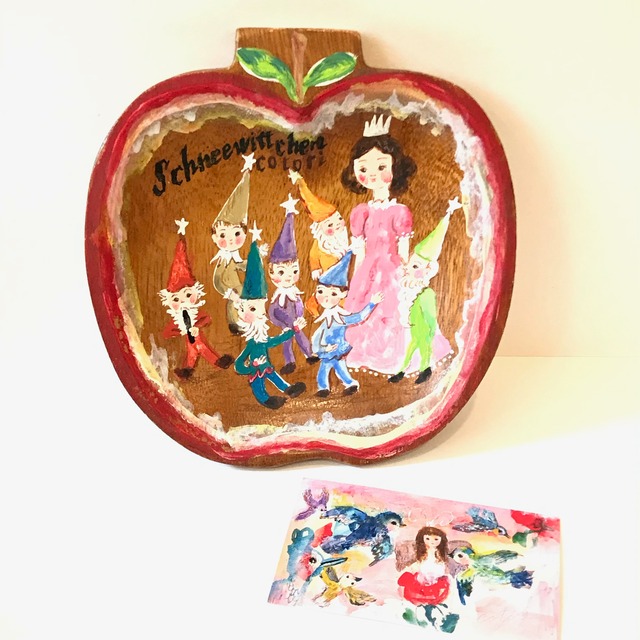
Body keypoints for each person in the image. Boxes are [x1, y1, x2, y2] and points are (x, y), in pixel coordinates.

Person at [340, 114, 417, 374]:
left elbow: (404, 252)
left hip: (392, 271)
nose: (371, 174)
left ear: (396, 168)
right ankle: (362, 353)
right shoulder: (360, 212)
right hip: (367, 271)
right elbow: (359, 252)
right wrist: (355, 281)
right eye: (363, 169)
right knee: (363, 309)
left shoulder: (400, 212)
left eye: (381, 166)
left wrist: (405, 278)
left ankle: (392, 357)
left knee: (390, 311)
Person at [234, 225, 307, 409]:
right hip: (257, 369)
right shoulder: (252, 343)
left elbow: (274, 341)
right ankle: (266, 400)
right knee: (259, 385)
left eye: (257, 308)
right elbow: (239, 365)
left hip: (266, 366)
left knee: (274, 376)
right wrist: (252, 366)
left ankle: (289, 389)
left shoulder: (261, 338)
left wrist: (293, 330)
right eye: (251, 308)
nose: (259, 313)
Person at [159, 219, 233, 379]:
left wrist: (196, 326)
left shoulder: (194, 313)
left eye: (187, 295)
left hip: (195, 334)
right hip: (189, 335)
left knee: (200, 347)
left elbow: (206, 318)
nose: (183, 301)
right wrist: (181, 330)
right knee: (194, 349)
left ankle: (212, 363)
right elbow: (167, 332)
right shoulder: (178, 317)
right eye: (176, 299)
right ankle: (193, 367)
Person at [310, 251, 383, 397]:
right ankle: (323, 388)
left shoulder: (341, 317)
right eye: (321, 291)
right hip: (327, 350)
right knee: (325, 368)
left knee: (340, 367)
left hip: (339, 349)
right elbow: (319, 334)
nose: (325, 298)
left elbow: (359, 317)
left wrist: (371, 304)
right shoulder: (327, 317)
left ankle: (350, 384)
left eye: (333, 293)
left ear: (343, 294)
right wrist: (319, 349)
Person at [267, 194, 317, 374]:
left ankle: (309, 354)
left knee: (300, 335)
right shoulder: (278, 297)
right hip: (286, 325)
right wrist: (282, 323)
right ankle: (290, 362)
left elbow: (299, 306)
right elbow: (272, 312)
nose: (288, 276)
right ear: (271, 272)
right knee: (286, 341)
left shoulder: (294, 293)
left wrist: (300, 317)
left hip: (296, 323)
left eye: (294, 271)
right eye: (281, 272)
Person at [211, 166, 250, 335]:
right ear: (214, 237)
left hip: (239, 289)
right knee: (235, 304)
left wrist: (253, 262)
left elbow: (240, 265)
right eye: (223, 235)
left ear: (245, 233)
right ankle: (235, 324)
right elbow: (217, 280)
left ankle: (243, 322)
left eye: (236, 233)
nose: (231, 240)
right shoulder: (223, 260)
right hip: (232, 291)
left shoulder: (234, 257)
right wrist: (228, 292)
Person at [397, 526, 459, 632]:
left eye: (436, 539)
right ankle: (422, 614)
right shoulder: (421, 554)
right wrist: (410, 571)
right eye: (428, 538)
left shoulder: (441, 555)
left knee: (437, 595)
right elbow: (418, 564)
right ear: (422, 539)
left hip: (436, 576)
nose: (432, 542)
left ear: (441, 540)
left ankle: (437, 616)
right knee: (419, 594)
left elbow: (442, 565)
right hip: (423, 576)